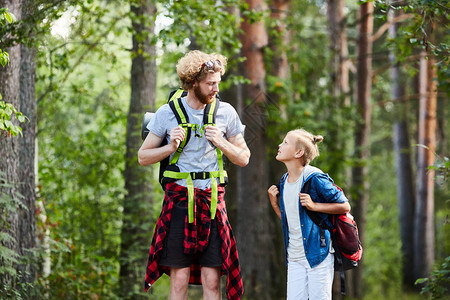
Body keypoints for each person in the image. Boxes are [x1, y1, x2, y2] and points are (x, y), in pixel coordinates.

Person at [139, 50, 250, 300]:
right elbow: (142, 157)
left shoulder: (227, 112)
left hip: (212, 202)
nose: (215, 89)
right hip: (179, 202)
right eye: (210, 84)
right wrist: (170, 147)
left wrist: (221, 142)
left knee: (212, 280)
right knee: (179, 280)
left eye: (218, 83)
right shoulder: (167, 113)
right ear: (193, 82)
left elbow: (244, 158)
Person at [267, 129, 350, 300]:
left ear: (299, 152)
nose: (279, 145)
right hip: (294, 257)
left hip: (318, 256)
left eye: (285, 143)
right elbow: (291, 222)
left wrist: (314, 205)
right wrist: (275, 204)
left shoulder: (315, 178)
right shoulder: (283, 181)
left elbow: (344, 205)